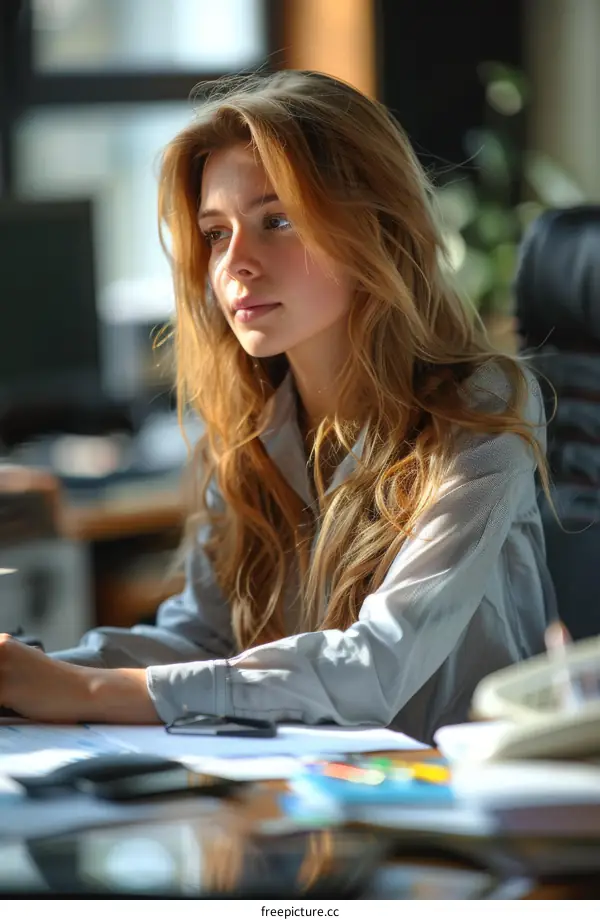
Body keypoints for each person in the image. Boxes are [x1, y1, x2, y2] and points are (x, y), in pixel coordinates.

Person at [0, 71, 556, 743]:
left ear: (373, 229)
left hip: (456, 814)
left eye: (277, 221)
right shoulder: (244, 428)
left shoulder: (479, 414)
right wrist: (30, 675)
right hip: (312, 800)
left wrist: (86, 689)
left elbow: (374, 667)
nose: (236, 263)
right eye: (215, 232)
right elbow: (203, 637)